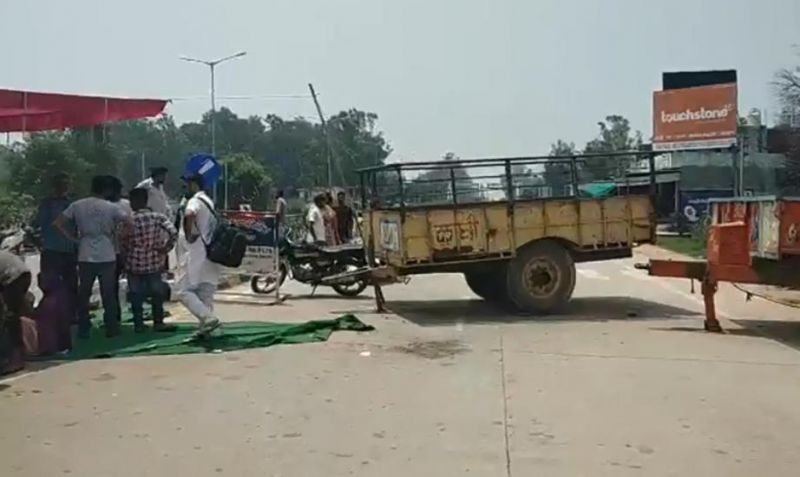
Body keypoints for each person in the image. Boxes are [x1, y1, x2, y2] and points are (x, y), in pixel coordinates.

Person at [54, 175, 130, 338]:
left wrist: (73, 239)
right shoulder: (111, 207)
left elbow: (58, 223)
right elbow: (130, 221)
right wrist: (120, 236)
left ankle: (83, 327)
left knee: (84, 292)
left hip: (85, 250)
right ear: (107, 189)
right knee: (108, 293)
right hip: (107, 251)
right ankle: (112, 327)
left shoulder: (78, 205)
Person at [122, 188, 178, 333]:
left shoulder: (129, 219)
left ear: (135, 202)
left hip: (134, 262)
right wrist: (165, 249)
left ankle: (138, 324)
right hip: (154, 261)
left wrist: (128, 251)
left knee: (135, 294)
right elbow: (173, 232)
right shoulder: (158, 217)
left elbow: (122, 239)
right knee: (156, 293)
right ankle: (158, 322)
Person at [176, 173, 221, 337]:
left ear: (194, 184)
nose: (185, 188)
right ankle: (207, 330)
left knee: (182, 291)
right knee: (205, 293)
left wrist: (188, 235)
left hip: (196, 252)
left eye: (187, 184)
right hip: (210, 253)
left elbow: (189, 214)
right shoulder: (209, 201)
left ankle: (208, 318)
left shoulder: (194, 201)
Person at [34, 173, 77, 320]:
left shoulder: (72, 203)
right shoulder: (47, 203)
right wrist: (39, 243)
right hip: (51, 250)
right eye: (60, 184)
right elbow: (37, 224)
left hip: (69, 250)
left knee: (71, 285)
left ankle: (71, 315)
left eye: (66, 184)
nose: (63, 187)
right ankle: (54, 314)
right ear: (54, 186)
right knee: (50, 285)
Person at [0, 251, 32, 374]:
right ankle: (14, 355)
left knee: (11, 318)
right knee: (11, 316)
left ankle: (16, 359)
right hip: (19, 274)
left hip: (15, 277)